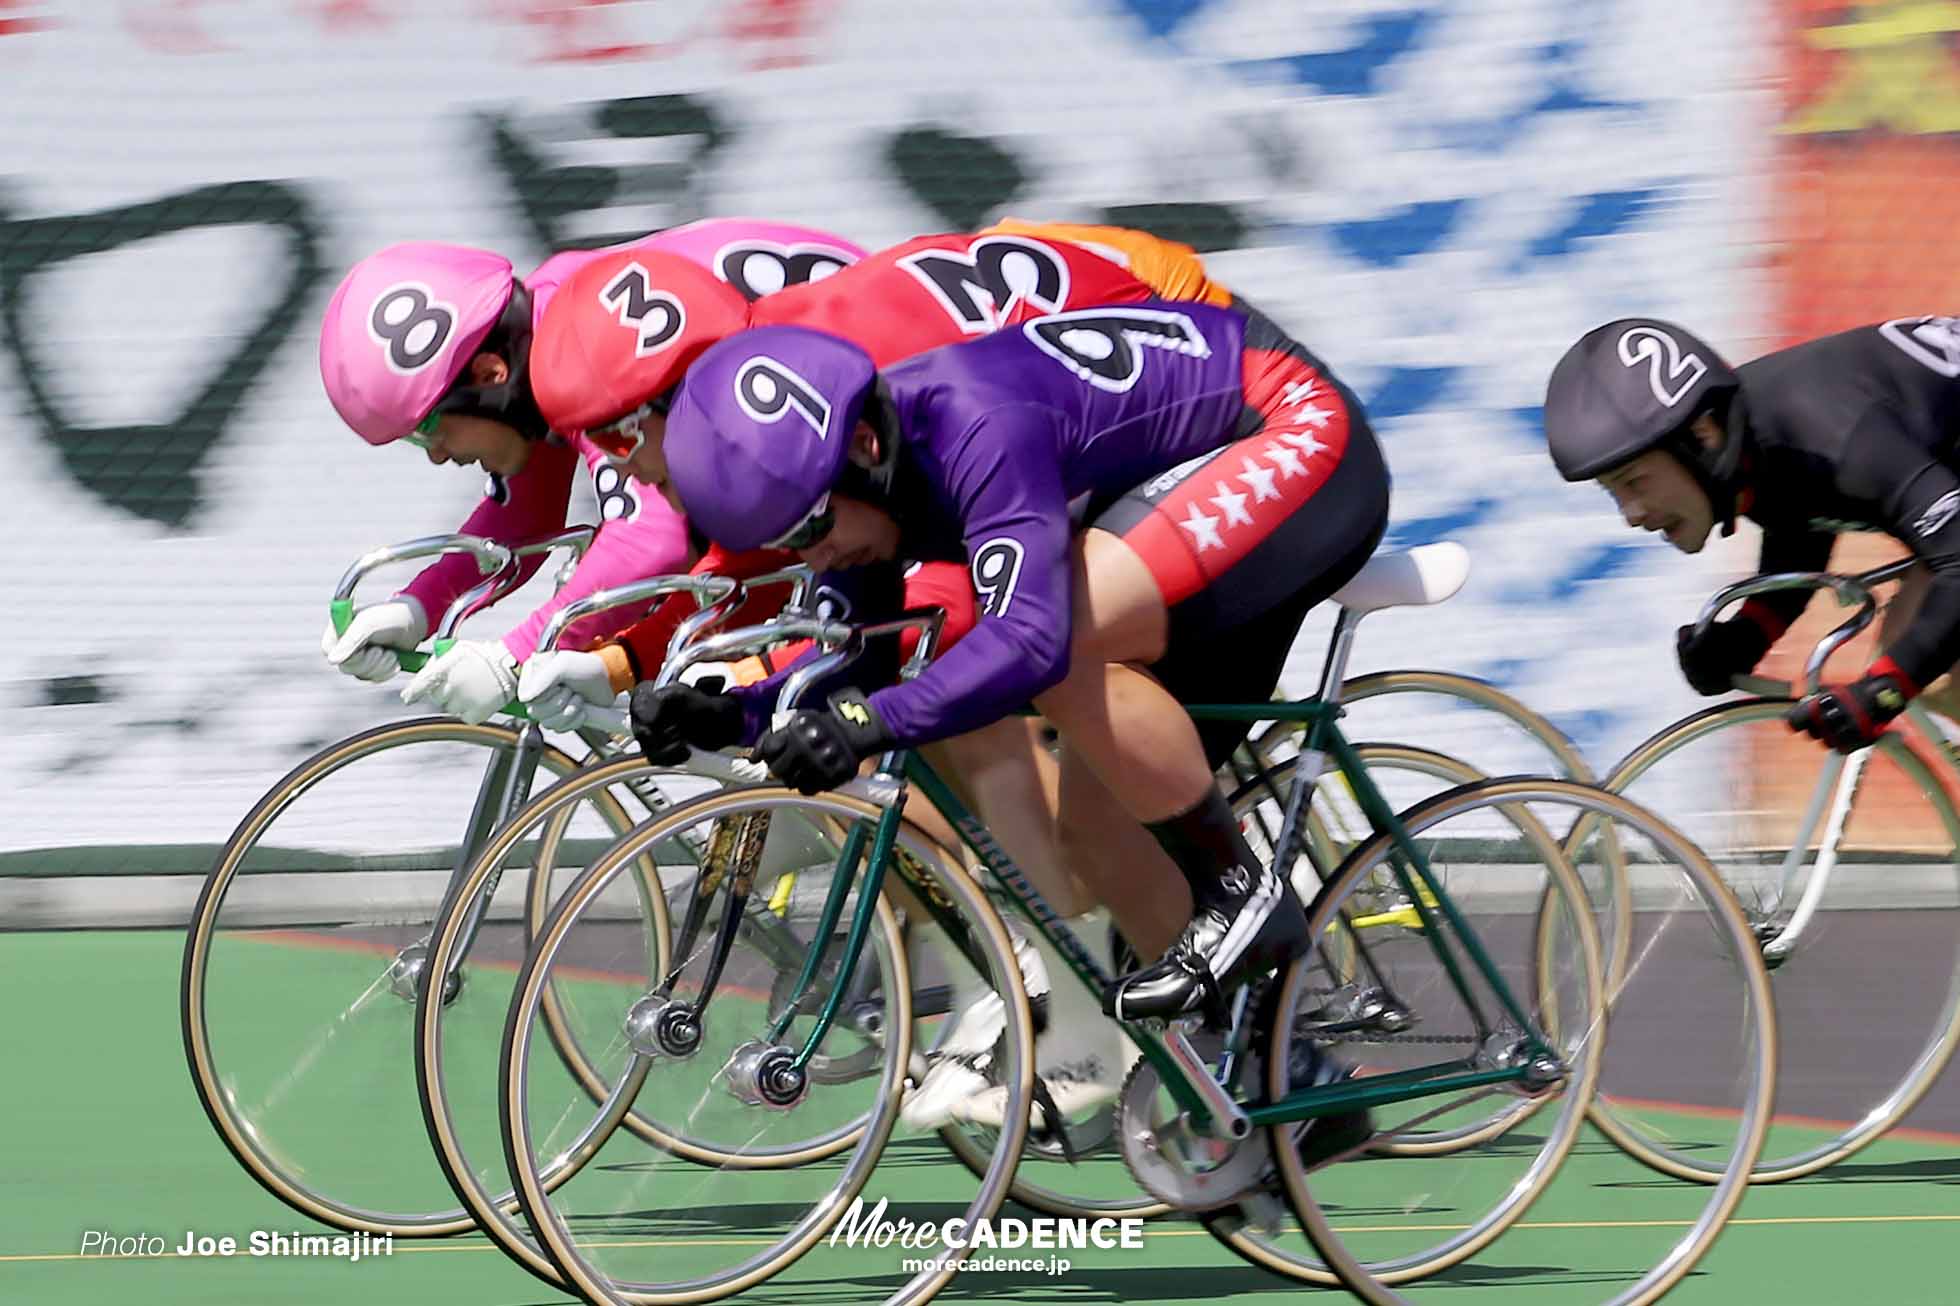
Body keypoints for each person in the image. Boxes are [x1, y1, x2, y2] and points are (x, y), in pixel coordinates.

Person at [514, 224, 1249, 1128]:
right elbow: (752, 571)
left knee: (955, 684)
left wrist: (818, 694)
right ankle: (1056, 939)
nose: (618, 470)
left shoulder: (823, 395)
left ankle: (1076, 983)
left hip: (1160, 352)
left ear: (675, 398)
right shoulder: (763, 408)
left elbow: (915, 599)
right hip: (1031, 386)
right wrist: (641, 665)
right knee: (882, 690)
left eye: (620, 442)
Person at [643, 304, 1390, 1052]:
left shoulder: (977, 426)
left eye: (809, 529)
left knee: (1058, 639)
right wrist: (734, 715)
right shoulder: (864, 486)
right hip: (1188, 483)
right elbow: (861, 666)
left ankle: (1241, 892)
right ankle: (1278, 1069)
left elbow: (1028, 643)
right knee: (1099, 842)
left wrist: (865, 725)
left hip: (1293, 423)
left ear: (864, 445)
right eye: (783, 544)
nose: (814, 559)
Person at [314, 220, 865, 721]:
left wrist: (515, 654)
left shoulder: (583, 350)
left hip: (869, 444)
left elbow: (652, 538)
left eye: (429, 429)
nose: (435, 454)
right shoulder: (545, 332)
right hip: (811, 446)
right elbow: (526, 511)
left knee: (831, 729)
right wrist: (417, 608)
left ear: (488, 373)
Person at [1544, 315, 1960, 750]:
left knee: (1929, 659)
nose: (1629, 514)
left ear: (1701, 436)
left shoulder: (1836, 435)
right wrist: (1744, 639)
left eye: (1635, 482)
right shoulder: (1754, 447)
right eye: (1612, 493)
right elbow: (1802, 530)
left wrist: (1883, 692)